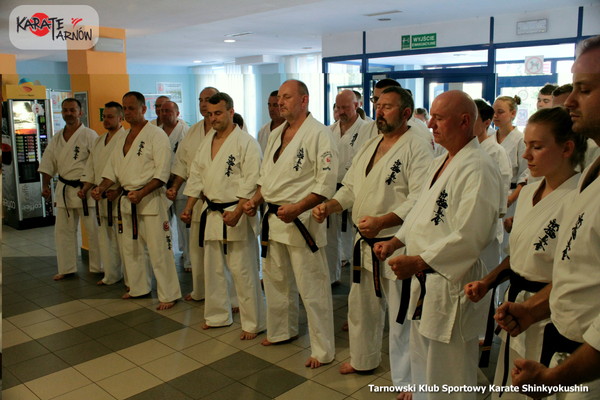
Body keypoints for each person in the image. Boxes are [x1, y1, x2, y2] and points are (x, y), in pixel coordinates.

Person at [374, 91, 503, 400]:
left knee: (449, 372)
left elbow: (471, 235)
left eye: (439, 118)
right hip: (426, 281)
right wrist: (397, 241)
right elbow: (420, 212)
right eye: (431, 116)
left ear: (464, 121)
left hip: (450, 282)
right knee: (423, 361)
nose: (430, 124)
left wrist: (418, 262)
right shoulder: (440, 162)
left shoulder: (479, 167)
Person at [496, 35, 600, 399]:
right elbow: (579, 273)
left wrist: (557, 377)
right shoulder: (591, 177)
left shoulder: (576, 184)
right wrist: (531, 309)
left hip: (586, 361)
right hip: (557, 333)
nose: (568, 101)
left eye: (584, 89)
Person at [313, 86, 432, 398]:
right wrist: (331, 205)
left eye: (388, 106)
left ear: (406, 113)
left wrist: (383, 221)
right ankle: (363, 359)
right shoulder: (371, 144)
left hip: (397, 241)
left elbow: (420, 199)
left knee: (401, 312)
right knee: (361, 305)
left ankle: (408, 379)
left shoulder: (418, 147)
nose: (380, 111)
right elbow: (351, 186)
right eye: (378, 105)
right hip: (364, 240)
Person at [465, 107, 586, 400]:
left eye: (537, 147)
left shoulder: (582, 198)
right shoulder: (531, 190)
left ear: (567, 148)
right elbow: (518, 258)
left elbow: (580, 274)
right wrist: (487, 282)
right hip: (516, 304)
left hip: (550, 312)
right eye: (527, 145)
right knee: (510, 380)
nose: (526, 155)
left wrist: (532, 308)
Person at [243, 79, 337, 369]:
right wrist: (255, 200)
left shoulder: (320, 134)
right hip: (274, 218)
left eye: (287, 97)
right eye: (279, 98)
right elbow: (266, 178)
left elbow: (326, 182)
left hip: (301, 220)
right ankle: (282, 331)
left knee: (312, 286)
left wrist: (297, 208)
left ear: (304, 100)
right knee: (275, 280)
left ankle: (323, 349)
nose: (280, 102)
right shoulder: (276, 133)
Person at [181, 92, 266, 340]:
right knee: (213, 269)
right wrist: (189, 207)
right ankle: (217, 316)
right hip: (212, 212)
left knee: (243, 270)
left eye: (218, 113)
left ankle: (253, 323)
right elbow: (196, 175)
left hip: (235, 210)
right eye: (209, 114)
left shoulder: (246, 143)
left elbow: (252, 180)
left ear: (231, 111)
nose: (213, 118)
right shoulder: (207, 141)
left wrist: (238, 211)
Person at [92, 91, 181, 310]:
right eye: (125, 108)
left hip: (150, 200)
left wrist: (141, 193)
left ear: (143, 109)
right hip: (127, 201)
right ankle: (138, 287)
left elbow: (162, 173)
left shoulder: (156, 135)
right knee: (131, 249)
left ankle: (169, 293)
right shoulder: (122, 137)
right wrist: (101, 187)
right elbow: (112, 170)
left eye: (132, 108)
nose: (128, 112)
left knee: (159, 250)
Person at [39, 98, 101, 281]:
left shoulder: (90, 135)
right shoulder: (57, 138)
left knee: (94, 231)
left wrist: (91, 186)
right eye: (65, 110)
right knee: (63, 232)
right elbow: (48, 162)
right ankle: (66, 268)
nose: (68, 113)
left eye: (72, 110)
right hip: (64, 189)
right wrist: (45, 185)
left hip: (85, 189)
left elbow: (98, 163)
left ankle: (99, 267)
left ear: (80, 112)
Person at [167, 87, 218, 299]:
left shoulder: (230, 130)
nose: (204, 104)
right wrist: (174, 186)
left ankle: (228, 296)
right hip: (195, 199)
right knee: (196, 248)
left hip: (220, 200)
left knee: (220, 253)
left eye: (209, 99)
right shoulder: (193, 131)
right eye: (201, 100)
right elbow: (182, 163)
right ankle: (200, 290)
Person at [79, 102, 127, 286]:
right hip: (100, 196)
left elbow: (127, 168)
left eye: (110, 117)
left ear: (120, 118)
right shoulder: (99, 141)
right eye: (104, 116)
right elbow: (91, 168)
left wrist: (118, 189)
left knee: (123, 239)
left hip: (118, 196)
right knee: (105, 238)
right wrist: (86, 188)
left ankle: (129, 277)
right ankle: (111, 274)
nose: (106, 120)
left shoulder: (126, 139)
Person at [325, 89, 366, 285]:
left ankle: (360, 280)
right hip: (332, 189)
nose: (341, 111)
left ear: (357, 106)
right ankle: (332, 277)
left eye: (346, 107)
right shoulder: (328, 131)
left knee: (358, 235)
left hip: (356, 189)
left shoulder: (368, 129)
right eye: (338, 107)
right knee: (330, 236)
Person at [474, 99, 512, 273]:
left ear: (486, 123)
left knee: (485, 272)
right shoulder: (466, 150)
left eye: (473, 119)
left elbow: (502, 189)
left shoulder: (496, 151)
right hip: (466, 223)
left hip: (487, 222)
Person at [160, 101, 190, 273]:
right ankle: (167, 256)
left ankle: (189, 259)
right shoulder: (156, 132)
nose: (164, 114)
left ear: (177, 113)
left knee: (183, 225)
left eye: (168, 111)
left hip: (181, 183)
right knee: (164, 224)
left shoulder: (185, 131)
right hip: (161, 183)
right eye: (162, 111)